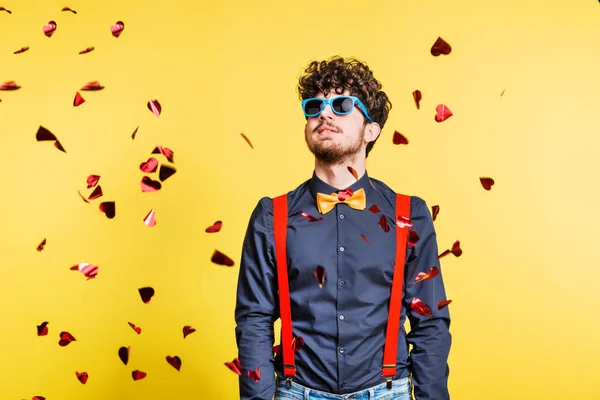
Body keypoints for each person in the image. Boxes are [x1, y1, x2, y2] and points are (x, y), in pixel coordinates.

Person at [234, 56, 451, 400]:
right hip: (295, 392)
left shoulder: (410, 214)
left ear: (371, 130)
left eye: (342, 104)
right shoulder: (270, 216)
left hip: (387, 393)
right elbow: (254, 319)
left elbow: (431, 324)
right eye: (315, 105)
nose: (324, 113)